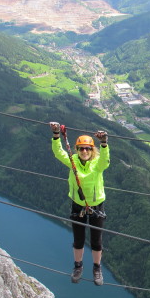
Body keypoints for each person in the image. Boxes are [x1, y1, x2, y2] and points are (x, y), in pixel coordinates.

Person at [50, 122, 110, 285]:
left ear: (92, 150)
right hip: (78, 205)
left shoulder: (97, 164)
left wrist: (104, 143)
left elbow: (105, 161)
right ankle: (78, 267)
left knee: (96, 241)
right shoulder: (73, 161)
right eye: (81, 148)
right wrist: (56, 135)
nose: (84, 151)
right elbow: (58, 153)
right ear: (77, 150)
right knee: (78, 239)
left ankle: (97, 269)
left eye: (88, 148)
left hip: (97, 205)